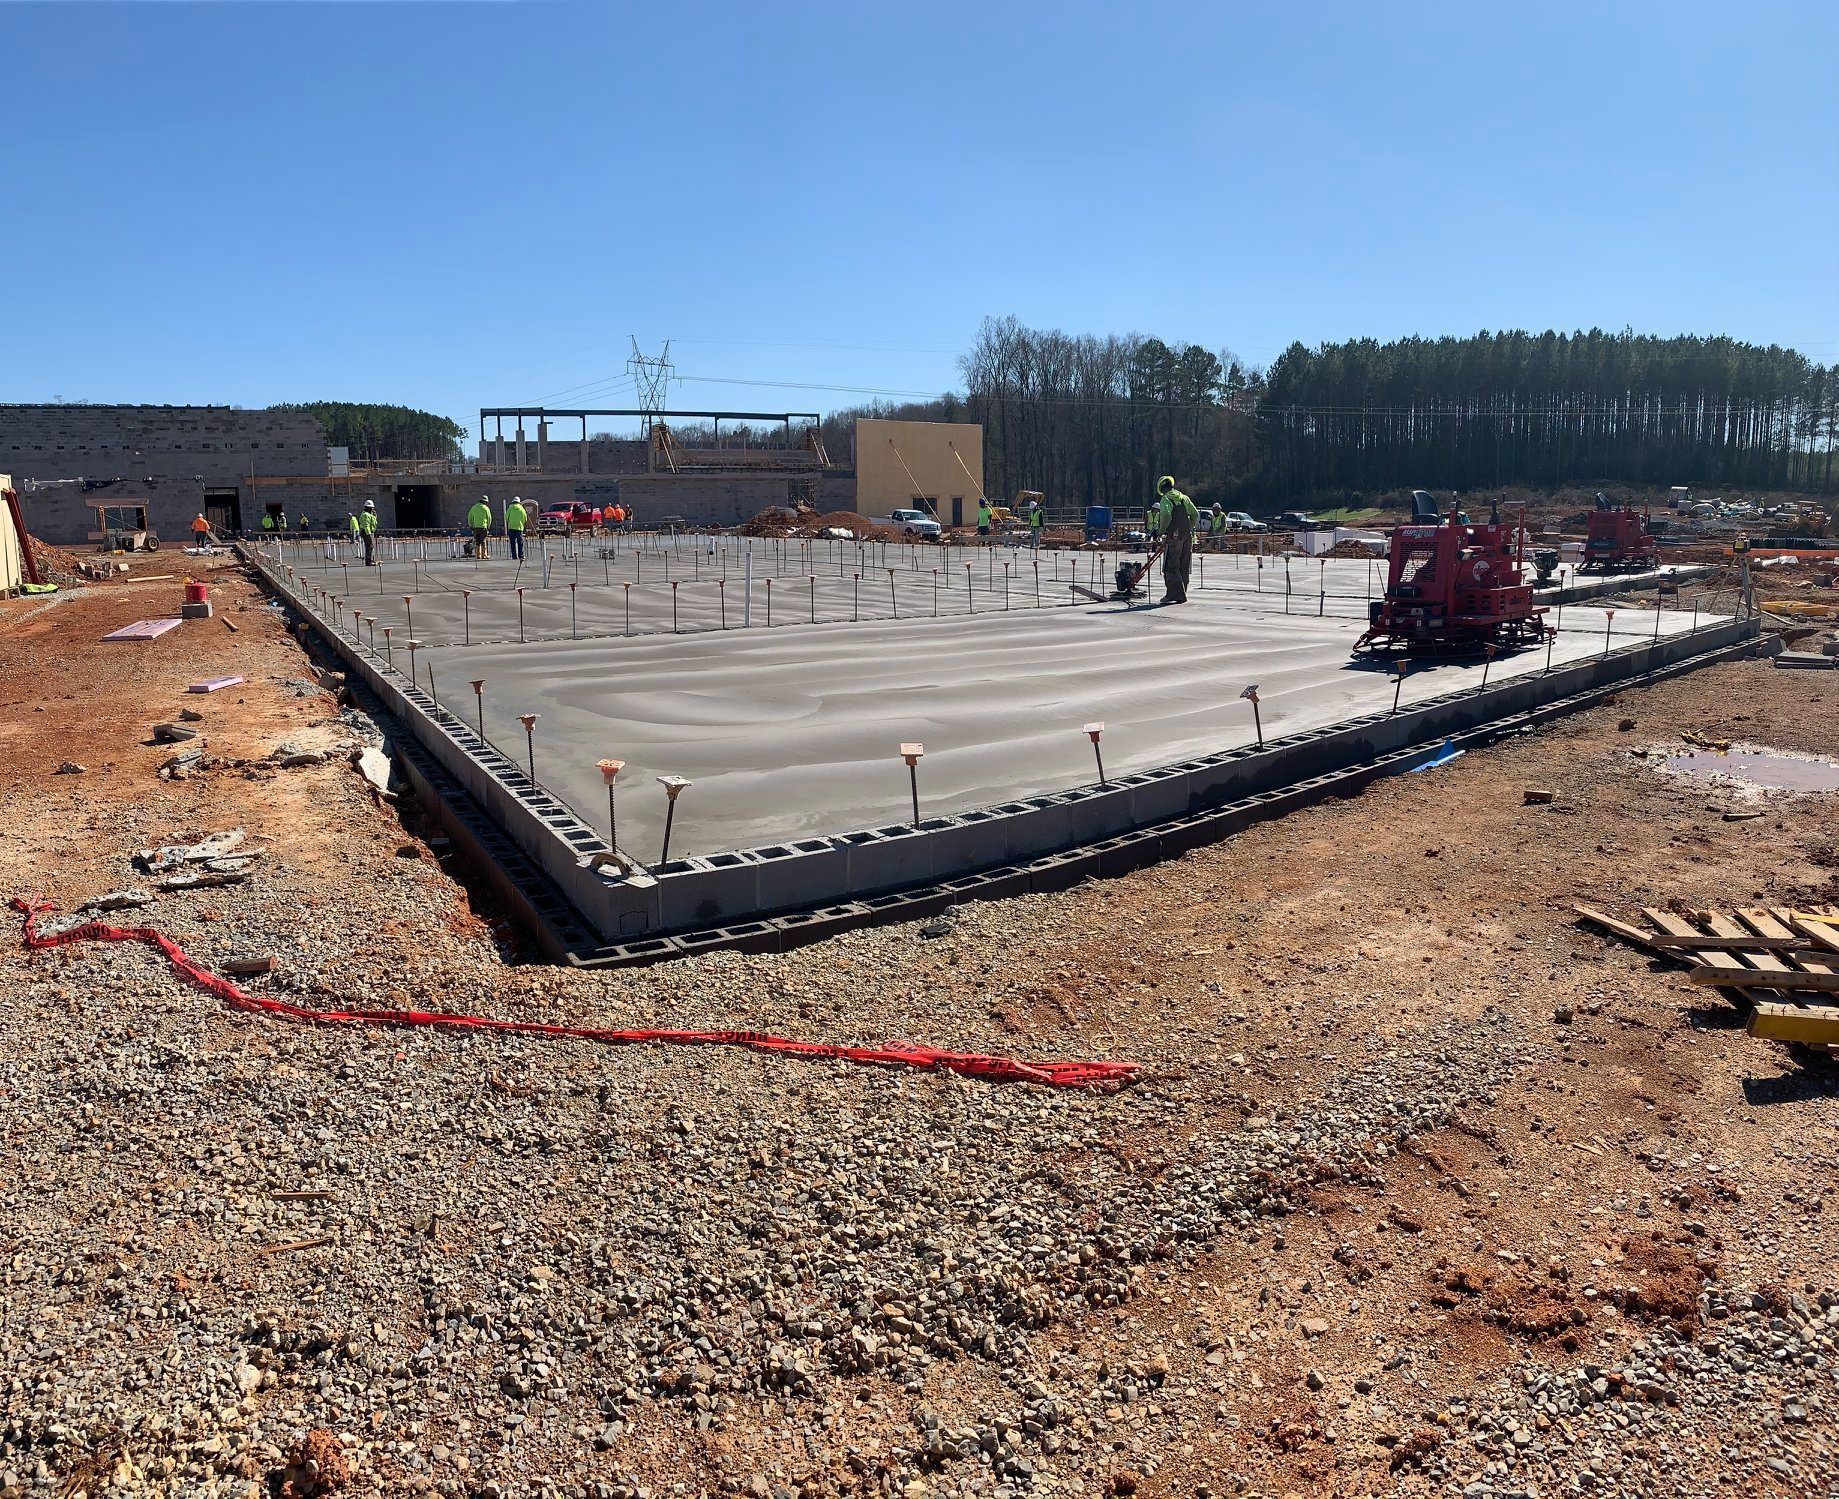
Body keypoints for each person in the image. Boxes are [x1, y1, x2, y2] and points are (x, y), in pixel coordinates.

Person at [1154, 475, 1198, 605]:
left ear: (1162, 489)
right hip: (1186, 536)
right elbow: (1195, 514)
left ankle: (1173, 595)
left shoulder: (1166, 499)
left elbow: (1167, 515)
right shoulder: (1184, 498)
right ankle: (1182, 592)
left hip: (1174, 537)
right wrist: (1188, 527)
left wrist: (1161, 531)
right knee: (1183, 565)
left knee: (1171, 566)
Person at [505, 495, 528, 560]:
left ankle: (514, 556)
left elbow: (506, 517)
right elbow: (525, 518)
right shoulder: (521, 509)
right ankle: (521, 555)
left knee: (512, 543)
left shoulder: (510, 508)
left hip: (511, 528)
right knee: (520, 543)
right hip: (519, 528)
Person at [358, 498, 379, 566]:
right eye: (371, 508)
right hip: (367, 532)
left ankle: (371, 560)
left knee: (371, 546)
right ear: (368, 508)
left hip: (370, 532)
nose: (373, 509)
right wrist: (369, 534)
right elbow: (366, 526)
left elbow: (374, 522)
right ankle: (369, 561)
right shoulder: (365, 515)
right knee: (369, 546)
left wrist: (375, 515)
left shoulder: (369, 514)